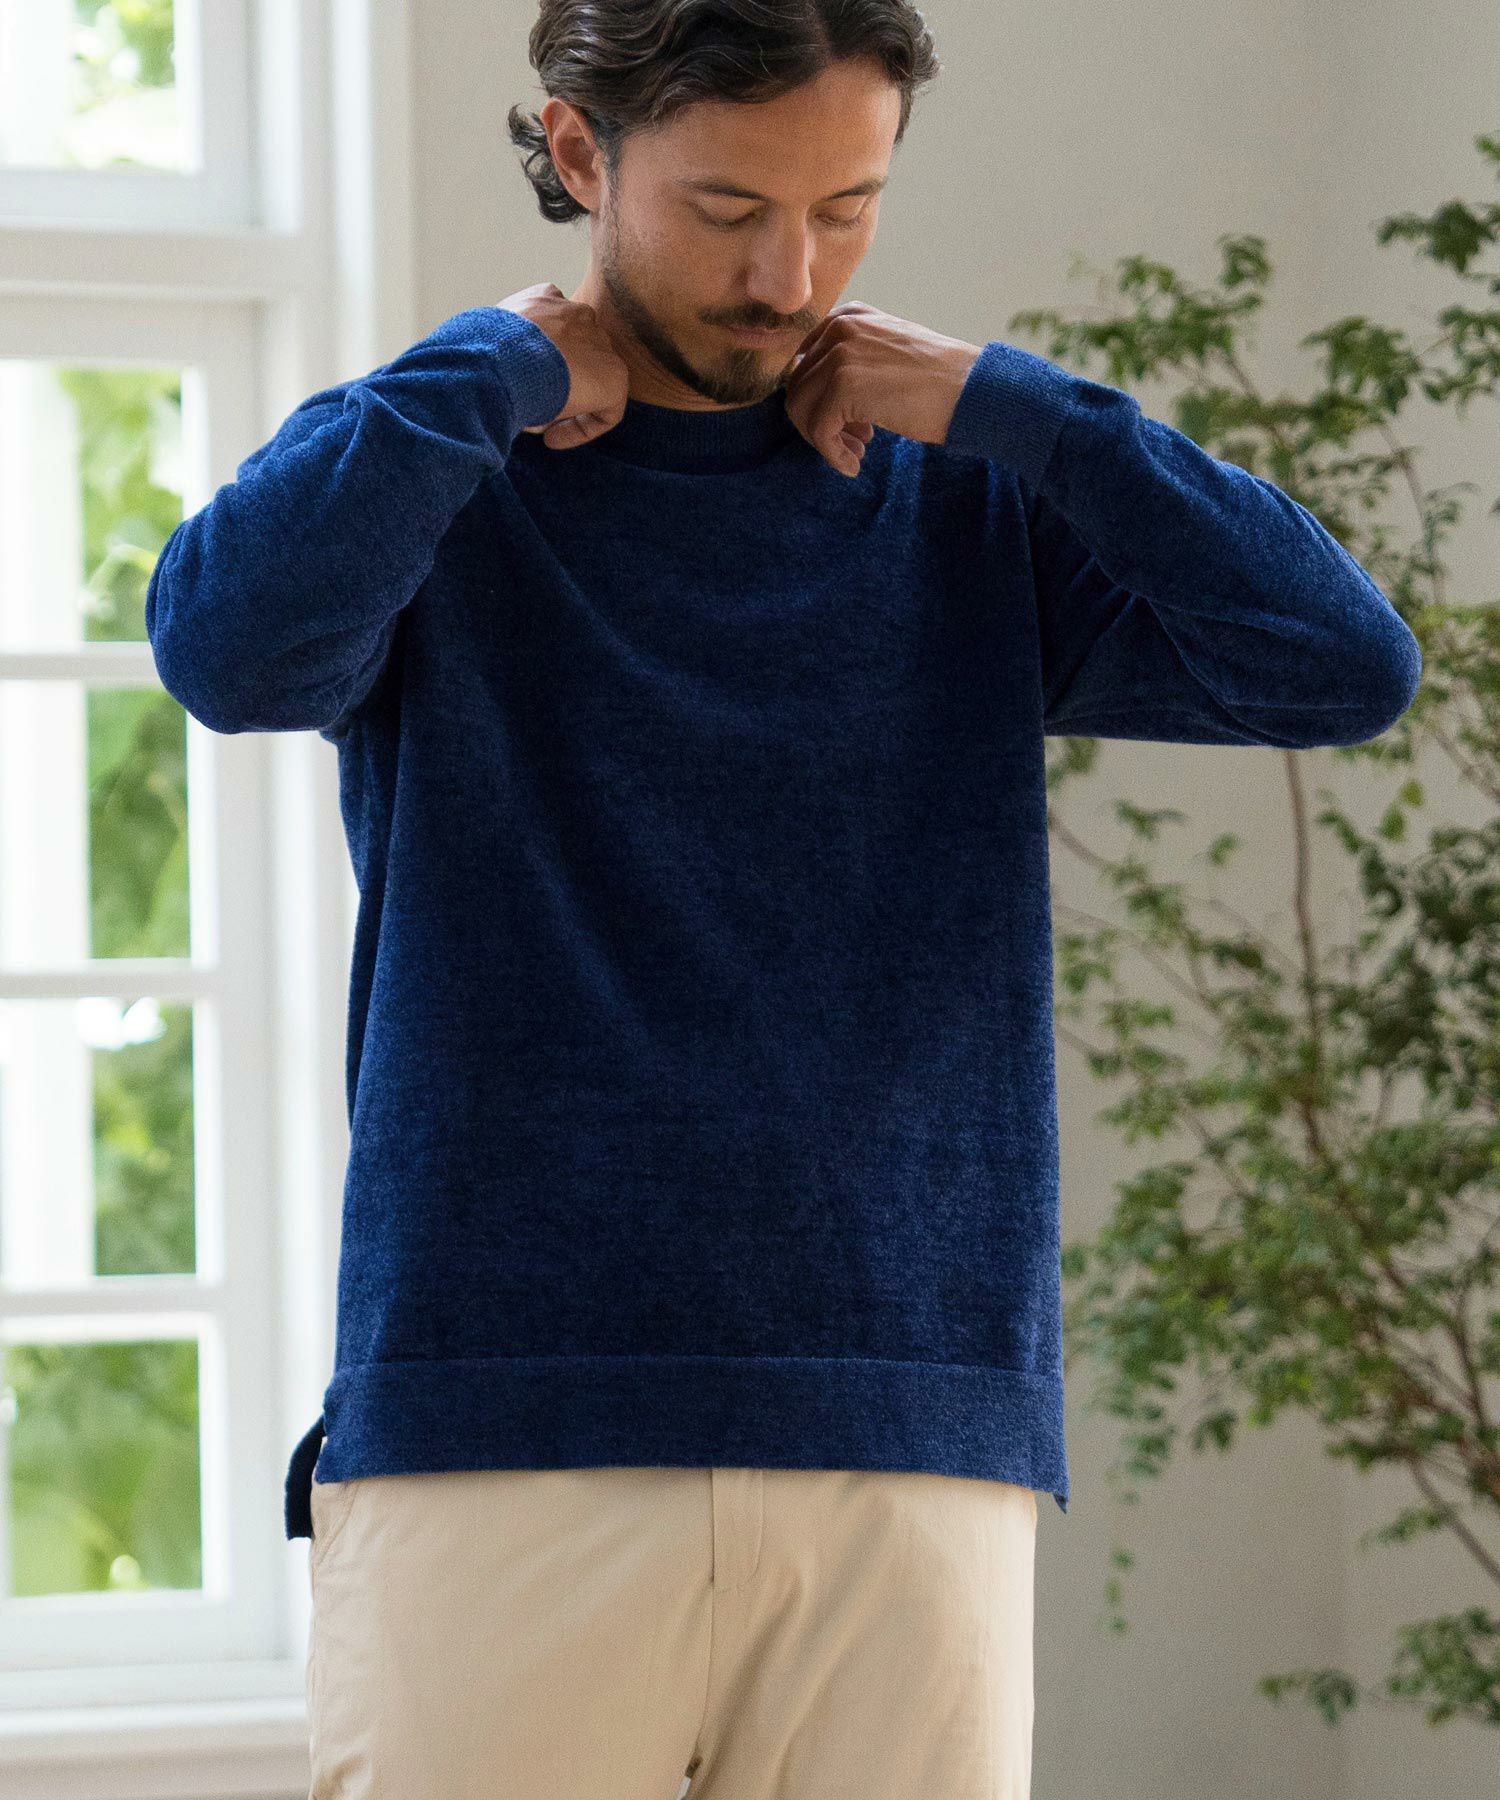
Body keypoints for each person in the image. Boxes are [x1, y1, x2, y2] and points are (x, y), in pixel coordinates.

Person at [144, 4, 1423, 1796]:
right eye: (729, 207)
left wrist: (1025, 413)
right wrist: (484, 370)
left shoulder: (966, 503)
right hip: (505, 1424)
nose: (790, 275)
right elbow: (225, 649)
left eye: (846, 208)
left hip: (910, 1421)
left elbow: (1343, 668)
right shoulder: (438, 476)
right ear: (578, 151)